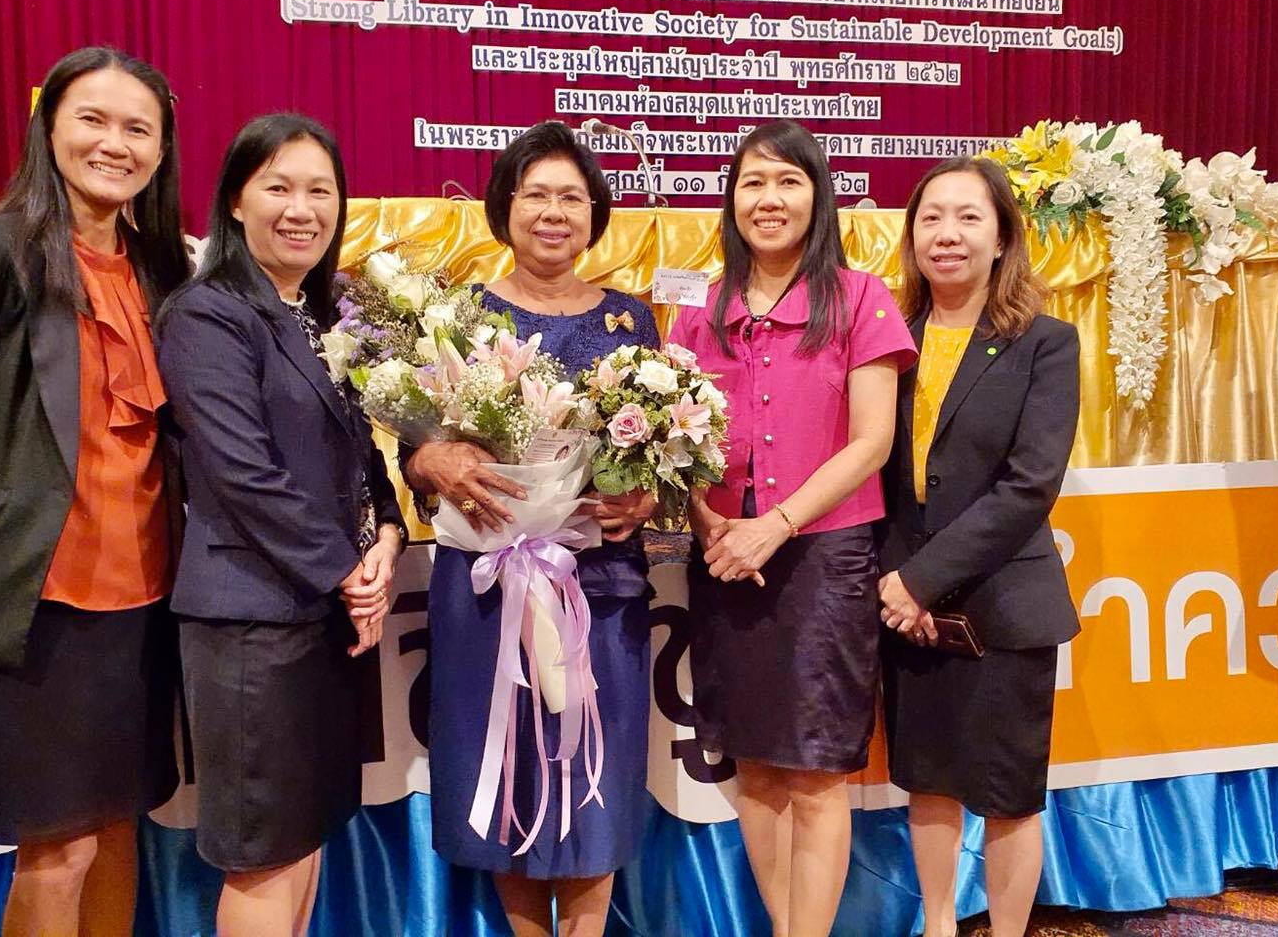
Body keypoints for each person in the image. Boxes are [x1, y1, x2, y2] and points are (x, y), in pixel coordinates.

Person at [0, 46, 190, 935]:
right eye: (93, 119)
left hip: (146, 604)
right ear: (48, 126)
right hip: (33, 608)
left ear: (162, 150)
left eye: (138, 129)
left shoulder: (161, 270)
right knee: (58, 852)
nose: (115, 144)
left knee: (119, 829)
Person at [403, 121, 657, 937]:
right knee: (507, 774)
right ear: (504, 207)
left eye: (571, 198)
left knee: (594, 780)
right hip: (486, 585)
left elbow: (655, 458)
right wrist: (431, 460)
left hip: (600, 585)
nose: (553, 213)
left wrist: (643, 500)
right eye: (536, 195)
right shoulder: (457, 318)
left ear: (596, 213)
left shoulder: (632, 323)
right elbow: (415, 450)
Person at [157, 114, 406, 936]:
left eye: (320, 191)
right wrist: (348, 572)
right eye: (278, 187)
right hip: (250, 621)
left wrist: (389, 536)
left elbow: (360, 452)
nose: (301, 209)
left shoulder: (323, 314)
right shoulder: (208, 314)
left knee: (304, 836)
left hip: (321, 614)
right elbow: (243, 473)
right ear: (236, 200)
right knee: (265, 850)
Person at [670, 119, 916, 936]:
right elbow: (673, 443)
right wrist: (707, 520)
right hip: (725, 559)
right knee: (756, 769)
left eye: (788, 181)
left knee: (814, 775)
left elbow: (873, 441)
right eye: (752, 182)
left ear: (819, 196)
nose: (768, 199)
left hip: (823, 560)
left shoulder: (860, 297)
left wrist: (774, 524)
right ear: (731, 199)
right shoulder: (699, 308)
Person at [877, 156, 1081, 937]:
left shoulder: (1045, 343)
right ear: (911, 237)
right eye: (931, 218)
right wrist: (897, 585)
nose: (947, 234)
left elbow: (1029, 486)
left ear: (1001, 239)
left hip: (1002, 607)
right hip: (909, 610)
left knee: (1006, 794)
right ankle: (938, 924)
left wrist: (920, 580)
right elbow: (878, 475)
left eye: (968, 217)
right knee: (928, 782)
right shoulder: (890, 340)